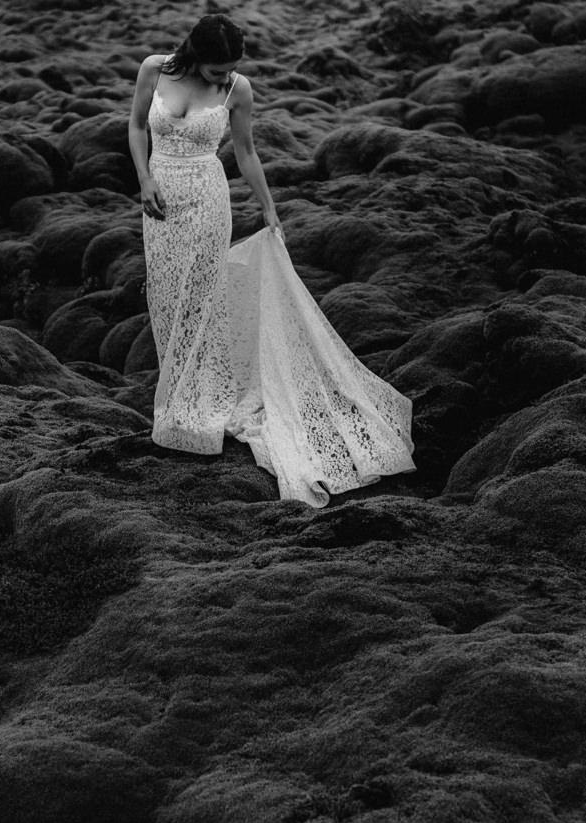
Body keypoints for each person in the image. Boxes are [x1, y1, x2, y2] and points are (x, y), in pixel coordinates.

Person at [128, 14, 415, 507]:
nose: (225, 77)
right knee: (166, 299)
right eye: (217, 70)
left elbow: (245, 152)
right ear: (194, 54)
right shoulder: (154, 69)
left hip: (207, 201)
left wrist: (268, 208)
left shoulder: (238, 90)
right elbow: (136, 127)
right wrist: (144, 180)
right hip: (160, 204)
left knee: (202, 301)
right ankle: (180, 399)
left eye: (230, 69)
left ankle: (197, 409)